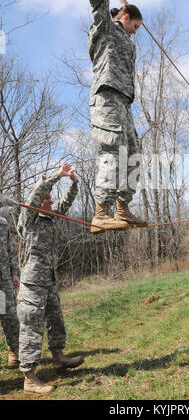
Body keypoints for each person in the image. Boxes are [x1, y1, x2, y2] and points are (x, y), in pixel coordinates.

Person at [85, 0, 147, 232]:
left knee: (133, 153)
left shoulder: (124, 36)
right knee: (112, 152)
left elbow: (126, 28)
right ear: (126, 18)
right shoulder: (105, 29)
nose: (135, 32)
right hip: (106, 98)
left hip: (123, 103)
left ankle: (122, 209)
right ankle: (101, 211)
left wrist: (125, 5)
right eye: (135, 26)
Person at [17, 163, 84, 394]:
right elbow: (35, 196)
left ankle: (59, 359)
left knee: (56, 322)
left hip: (49, 281)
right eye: (48, 199)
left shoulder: (50, 218)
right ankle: (29, 378)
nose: (51, 202)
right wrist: (57, 176)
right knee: (31, 329)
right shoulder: (29, 218)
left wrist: (74, 183)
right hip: (32, 284)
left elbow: (66, 202)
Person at [0, 195, 20, 369]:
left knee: (9, 316)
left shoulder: (3, 223)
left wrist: (14, 273)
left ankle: (14, 351)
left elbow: (10, 249)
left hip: (4, 279)